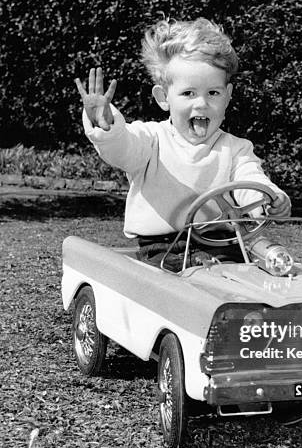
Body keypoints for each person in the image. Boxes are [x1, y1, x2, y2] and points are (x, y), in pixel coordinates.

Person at [75, 17, 290, 270]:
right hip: (164, 246)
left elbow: (251, 178)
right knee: (189, 275)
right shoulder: (151, 139)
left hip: (222, 243)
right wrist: (106, 125)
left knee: (253, 274)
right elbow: (123, 149)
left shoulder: (235, 149)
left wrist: (266, 198)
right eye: (188, 93)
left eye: (213, 93)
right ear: (164, 98)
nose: (201, 103)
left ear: (228, 97)